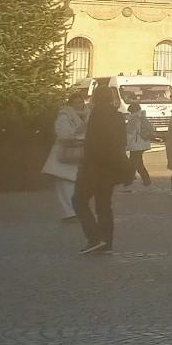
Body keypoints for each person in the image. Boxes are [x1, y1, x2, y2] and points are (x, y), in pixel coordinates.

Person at [74, 84, 127, 254]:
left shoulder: (97, 114)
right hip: (111, 168)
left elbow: (94, 143)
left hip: (94, 167)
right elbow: (121, 143)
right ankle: (106, 242)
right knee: (104, 205)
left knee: (79, 201)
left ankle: (95, 238)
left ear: (96, 97)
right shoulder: (117, 116)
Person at [42, 88, 86, 221]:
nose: (79, 104)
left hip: (78, 154)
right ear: (70, 103)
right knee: (65, 183)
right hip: (64, 154)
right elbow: (63, 134)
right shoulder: (64, 116)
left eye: (80, 102)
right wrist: (80, 136)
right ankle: (69, 212)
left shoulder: (86, 114)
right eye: (76, 102)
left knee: (75, 183)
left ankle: (74, 211)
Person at [121, 97, 153, 189]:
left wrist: (126, 144)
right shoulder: (143, 117)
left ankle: (142, 180)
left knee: (136, 163)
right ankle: (130, 180)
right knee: (135, 162)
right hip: (143, 142)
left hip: (136, 144)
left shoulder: (133, 119)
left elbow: (130, 133)